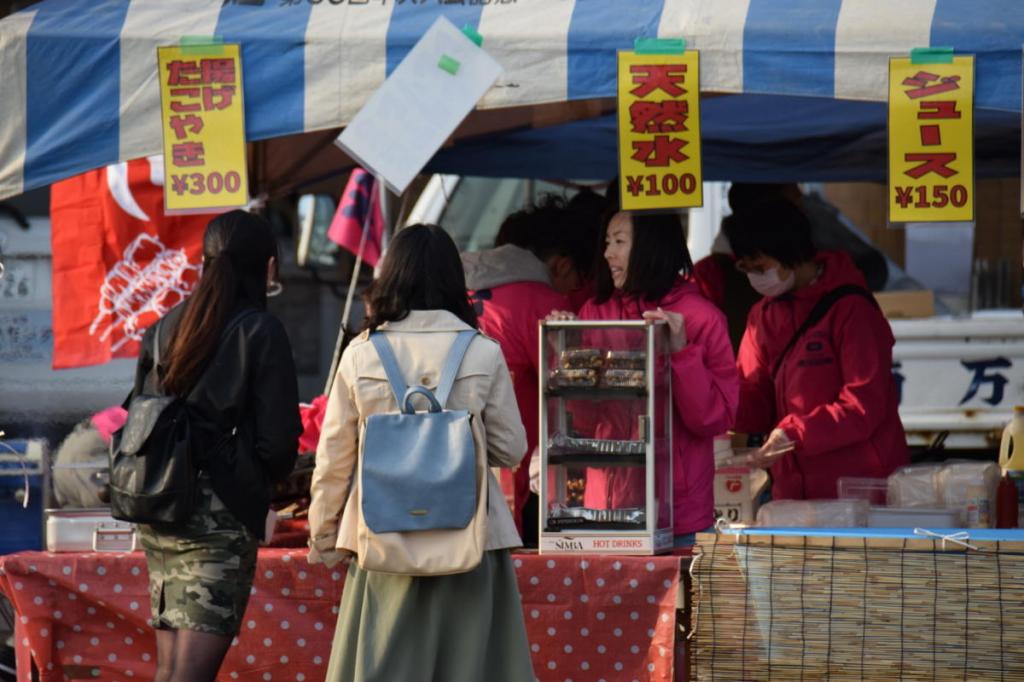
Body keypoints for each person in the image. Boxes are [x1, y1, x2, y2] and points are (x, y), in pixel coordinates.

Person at [309, 224, 534, 682]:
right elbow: (511, 450)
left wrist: (325, 537)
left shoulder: (362, 354)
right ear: (456, 282)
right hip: (471, 540)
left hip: (381, 540)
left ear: (390, 277)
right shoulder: (482, 352)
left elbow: (334, 462)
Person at [130, 210, 302, 682]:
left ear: (204, 262)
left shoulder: (163, 328)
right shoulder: (260, 331)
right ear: (267, 268)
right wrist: (264, 484)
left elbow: (142, 416)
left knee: (171, 671)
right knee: (190, 675)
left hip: (162, 510)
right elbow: (278, 443)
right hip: (219, 518)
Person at [550, 210, 738, 547]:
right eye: (608, 242)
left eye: (620, 242)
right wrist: (568, 354)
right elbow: (585, 420)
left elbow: (714, 418)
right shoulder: (595, 314)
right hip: (606, 507)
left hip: (679, 512)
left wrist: (681, 352)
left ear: (652, 248)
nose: (608, 253)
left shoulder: (702, 318)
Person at [723, 198, 908, 500]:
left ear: (792, 255)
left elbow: (863, 405)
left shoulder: (852, 309)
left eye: (760, 266)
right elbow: (753, 402)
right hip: (794, 492)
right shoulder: (762, 316)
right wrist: (715, 400)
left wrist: (795, 433)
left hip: (861, 488)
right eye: (745, 268)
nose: (754, 277)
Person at [461, 196, 597, 545]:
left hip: (445, 458)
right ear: (563, 266)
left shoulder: (460, 288)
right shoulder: (543, 301)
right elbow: (575, 403)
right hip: (510, 467)